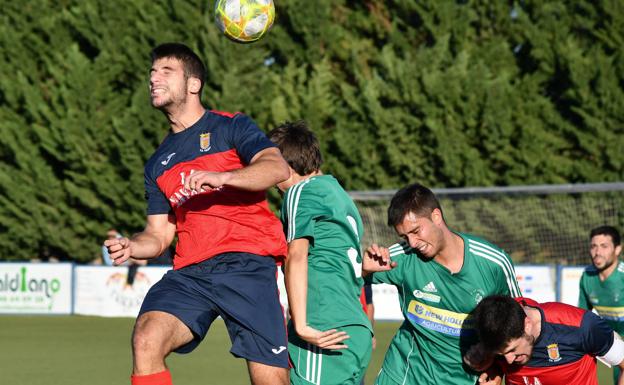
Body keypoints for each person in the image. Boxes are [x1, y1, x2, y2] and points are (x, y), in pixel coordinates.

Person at [104, 43, 290, 385]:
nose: (153, 79)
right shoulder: (157, 162)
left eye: (165, 71)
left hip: (247, 264)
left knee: (269, 379)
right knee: (146, 339)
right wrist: (132, 246)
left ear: (194, 84)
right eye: (151, 72)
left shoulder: (230, 127)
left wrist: (225, 177)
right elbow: (158, 236)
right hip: (191, 273)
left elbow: (276, 167)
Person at [362, 183, 522, 385]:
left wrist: (497, 367)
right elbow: (343, 276)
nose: (412, 243)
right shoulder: (401, 258)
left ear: (436, 216)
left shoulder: (493, 263)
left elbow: (517, 323)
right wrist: (363, 268)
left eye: (416, 231)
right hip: (404, 375)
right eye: (404, 236)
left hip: (463, 378)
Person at [268, 121, 373, 385]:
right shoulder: (339, 195)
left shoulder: (299, 193)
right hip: (353, 326)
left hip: (322, 325)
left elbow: (297, 256)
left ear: (284, 165)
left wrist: (301, 325)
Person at [470, 295, 624, 385]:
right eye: (501, 354)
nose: (509, 361)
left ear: (527, 325)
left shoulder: (581, 326)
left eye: (512, 350)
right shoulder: (495, 325)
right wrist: (494, 372)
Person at [579, 225, 624, 385]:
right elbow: (581, 317)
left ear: (617, 249)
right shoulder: (587, 276)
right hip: (614, 345)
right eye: (594, 246)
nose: (597, 252)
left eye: (604, 246)